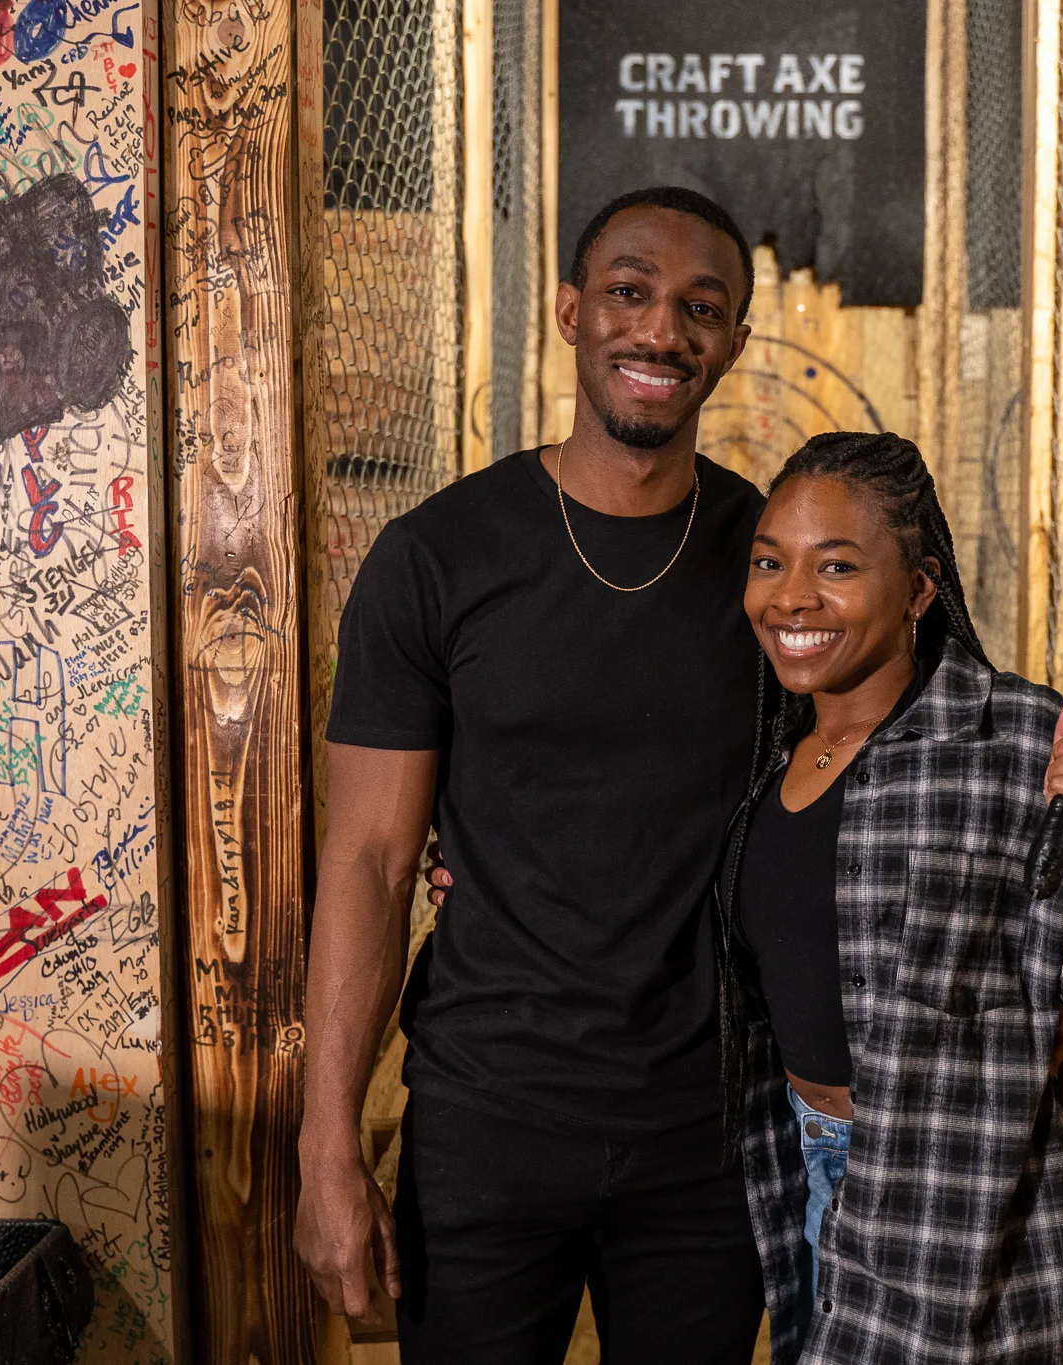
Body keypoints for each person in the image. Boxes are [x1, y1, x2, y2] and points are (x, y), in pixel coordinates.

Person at [294, 185, 771, 1363]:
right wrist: (326, 1146)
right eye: (628, 292)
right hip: (489, 1119)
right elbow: (367, 859)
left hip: (703, 1133)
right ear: (569, 312)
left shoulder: (771, 568)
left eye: (699, 308)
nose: (661, 330)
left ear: (733, 344)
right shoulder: (438, 558)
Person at [723, 431, 1063, 1364]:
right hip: (805, 1180)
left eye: (837, 566)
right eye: (770, 562)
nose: (792, 597)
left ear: (920, 590)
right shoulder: (764, 754)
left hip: (973, 1233)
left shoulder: (1019, 742)